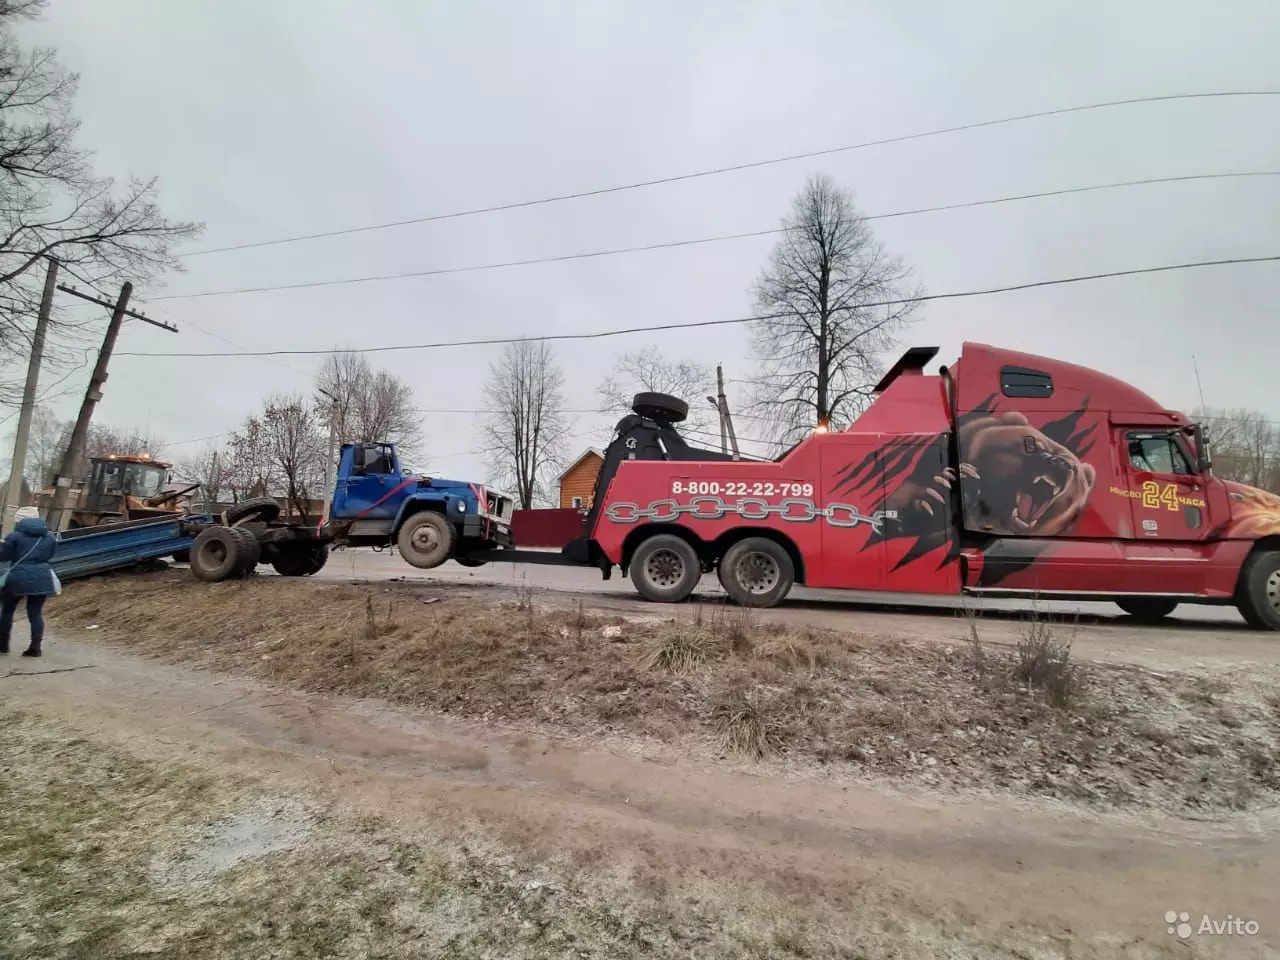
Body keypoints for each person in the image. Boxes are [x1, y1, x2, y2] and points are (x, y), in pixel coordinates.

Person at [0, 514, 58, 658]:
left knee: (7, 610)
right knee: (35, 612)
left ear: (20, 520)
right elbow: (51, 554)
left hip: (18, 576)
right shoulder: (50, 536)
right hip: (42, 575)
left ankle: (3, 645)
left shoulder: (14, 536)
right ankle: (35, 648)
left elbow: (5, 556)